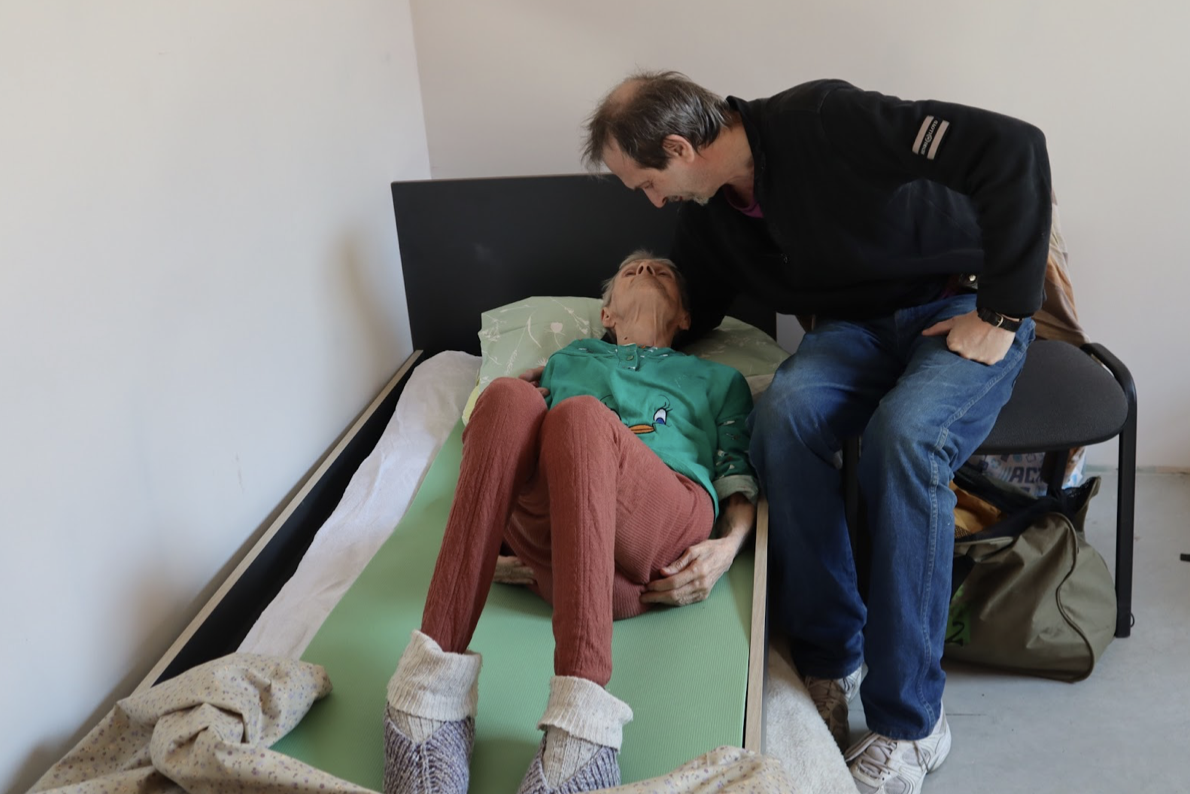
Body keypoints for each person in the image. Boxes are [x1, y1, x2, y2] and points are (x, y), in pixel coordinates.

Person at [584, 71, 1050, 794]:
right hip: (853, 333)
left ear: (678, 148)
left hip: (957, 304)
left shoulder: (825, 119)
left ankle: (912, 723)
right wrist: (611, 359)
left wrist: (1004, 313)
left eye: (647, 182)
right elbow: (687, 310)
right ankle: (832, 657)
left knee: (905, 438)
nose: (652, 200)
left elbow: (1014, 147)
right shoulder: (711, 219)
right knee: (782, 418)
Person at [383, 252, 758, 794]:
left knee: (581, 416)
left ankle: (583, 725)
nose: (646, 269)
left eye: (662, 271)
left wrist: (729, 549)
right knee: (506, 395)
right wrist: (492, 541)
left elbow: (736, 474)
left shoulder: (720, 380)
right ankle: (428, 690)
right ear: (606, 315)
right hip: (568, 553)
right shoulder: (568, 360)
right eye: (631, 269)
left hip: (660, 524)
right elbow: (505, 449)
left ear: (684, 316)